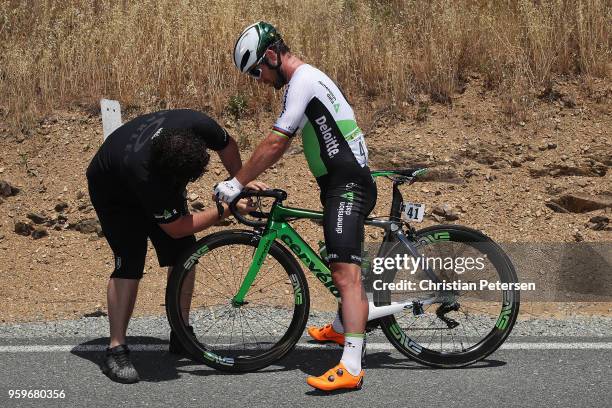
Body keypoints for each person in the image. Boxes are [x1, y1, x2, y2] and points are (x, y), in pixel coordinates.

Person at [215, 22, 377, 391]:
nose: (257, 79)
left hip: (347, 185)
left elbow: (275, 143)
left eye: (256, 69)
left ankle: (351, 366)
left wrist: (236, 182)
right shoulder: (307, 82)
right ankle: (341, 328)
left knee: (344, 274)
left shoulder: (302, 81)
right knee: (339, 261)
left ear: (271, 55)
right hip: (340, 183)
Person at [86, 109, 261, 384]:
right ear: (168, 173)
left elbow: (227, 145)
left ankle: (181, 332)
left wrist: (241, 182)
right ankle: (115, 349)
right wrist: (225, 210)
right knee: (129, 262)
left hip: (151, 172)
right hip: (113, 190)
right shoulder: (146, 175)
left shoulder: (195, 123)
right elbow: (176, 227)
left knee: (184, 255)